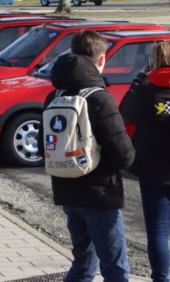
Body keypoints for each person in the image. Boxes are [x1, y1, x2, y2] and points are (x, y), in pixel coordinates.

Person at [44, 29, 135, 282]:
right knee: (115, 268)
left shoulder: (54, 95)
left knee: (83, 263)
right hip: (100, 193)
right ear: (102, 59)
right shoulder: (100, 98)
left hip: (66, 187)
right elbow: (123, 155)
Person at [120, 40, 170, 282]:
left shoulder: (145, 93)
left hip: (154, 172)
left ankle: (160, 279)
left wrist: (138, 81)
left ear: (155, 62)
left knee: (157, 231)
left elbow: (125, 112)